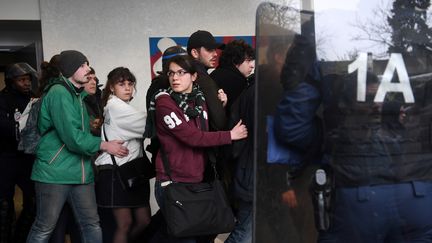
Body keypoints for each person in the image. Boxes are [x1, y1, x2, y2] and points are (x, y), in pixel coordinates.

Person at [26, 50, 129, 243]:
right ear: (69, 70)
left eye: (87, 64)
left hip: (81, 173)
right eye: (82, 65)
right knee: (44, 227)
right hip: (54, 173)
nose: (88, 69)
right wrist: (105, 145)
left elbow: (78, 131)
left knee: (91, 225)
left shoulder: (77, 96)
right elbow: (72, 137)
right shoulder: (59, 92)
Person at [147, 54, 247, 243]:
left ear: (193, 76)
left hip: (195, 182)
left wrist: (220, 106)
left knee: (193, 235)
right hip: (173, 183)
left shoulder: (199, 100)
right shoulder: (164, 102)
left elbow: (206, 126)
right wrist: (230, 136)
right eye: (171, 73)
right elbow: (192, 137)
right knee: (185, 239)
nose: (175, 78)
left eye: (181, 73)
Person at [95, 67, 151, 243]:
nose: (127, 88)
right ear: (112, 87)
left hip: (130, 172)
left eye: (130, 83)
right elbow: (147, 124)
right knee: (125, 223)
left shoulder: (119, 106)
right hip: (116, 173)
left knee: (144, 221)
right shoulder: (115, 106)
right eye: (121, 84)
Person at [0, 62, 37, 243]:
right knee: (4, 204)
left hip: (27, 158)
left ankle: (21, 238)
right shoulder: (2, 100)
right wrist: (17, 127)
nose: (26, 83)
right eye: (22, 80)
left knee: (34, 201)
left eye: (28, 79)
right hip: (6, 157)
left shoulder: (34, 99)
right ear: (11, 81)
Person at [187, 30, 228, 131]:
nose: (215, 54)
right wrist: (221, 106)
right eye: (210, 50)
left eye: (215, 50)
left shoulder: (188, 75)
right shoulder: (202, 78)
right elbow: (219, 123)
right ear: (195, 53)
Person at [210, 39, 255, 112]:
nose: (252, 66)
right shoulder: (237, 81)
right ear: (235, 60)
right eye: (248, 61)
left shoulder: (216, 74)